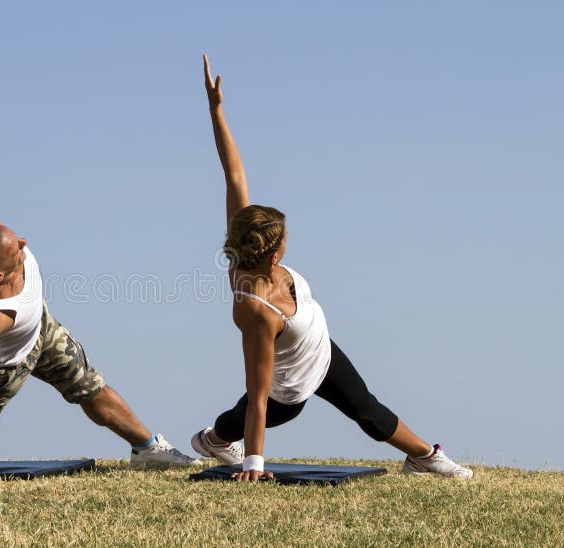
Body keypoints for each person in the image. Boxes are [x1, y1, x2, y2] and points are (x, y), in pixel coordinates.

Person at [0, 51, 198, 482]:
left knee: (88, 385)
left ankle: (147, 448)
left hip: (38, 326)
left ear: (14, 255)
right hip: (2, 362)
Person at [189, 55, 473, 482]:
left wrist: (216, 111)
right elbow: (260, 391)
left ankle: (423, 456)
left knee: (368, 411)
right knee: (249, 414)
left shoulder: (249, 241)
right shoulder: (256, 310)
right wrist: (254, 464)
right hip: (291, 387)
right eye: (285, 237)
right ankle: (216, 439)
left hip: (321, 351)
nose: (290, 239)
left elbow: (234, 173)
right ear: (273, 256)